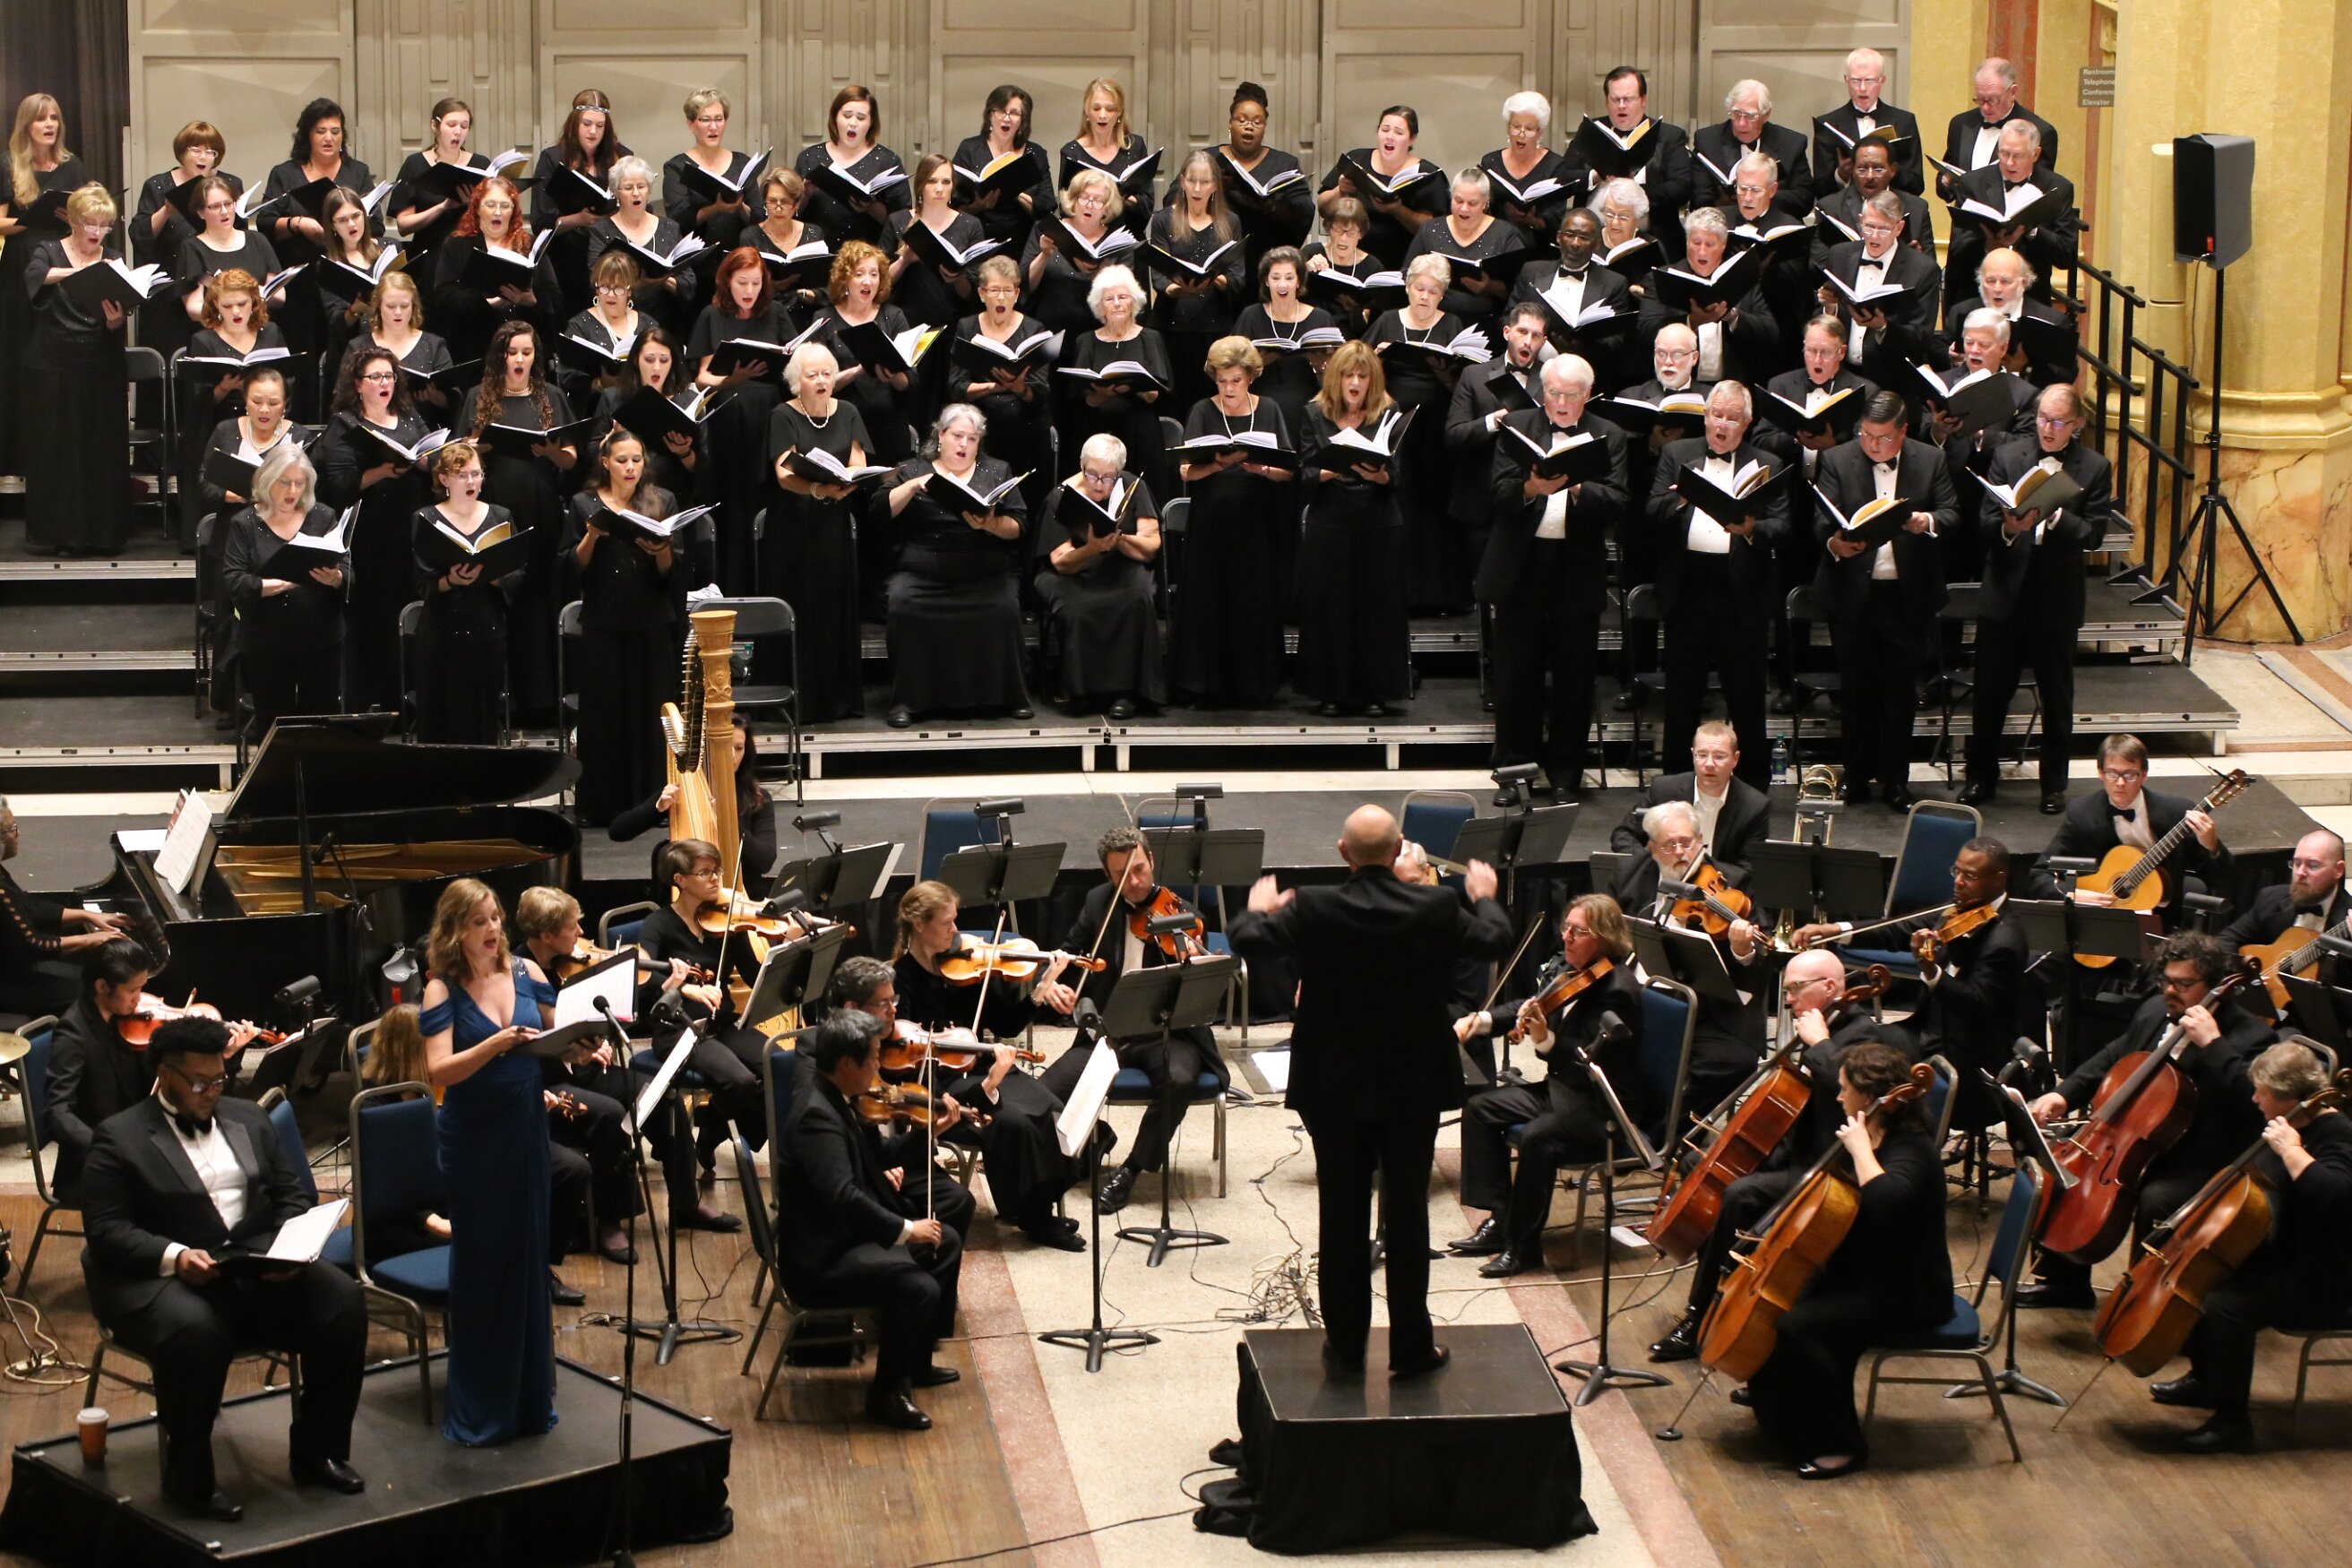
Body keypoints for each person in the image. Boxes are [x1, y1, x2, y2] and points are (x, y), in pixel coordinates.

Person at [1230, 806, 1512, 1375]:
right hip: (1412, 1086)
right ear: (1398, 846)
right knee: (1408, 1214)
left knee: (1341, 1214)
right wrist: (1484, 896)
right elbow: (1495, 939)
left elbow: (1247, 940)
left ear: (1343, 853)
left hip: (1333, 1087)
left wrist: (1259, 907)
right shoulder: (1436, 906)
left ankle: (1345, 1348)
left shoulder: (1315, 906)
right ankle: (1410, 1348)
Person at [82, 1017, 369, 1518]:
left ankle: (318, 1452)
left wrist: (287, 1248)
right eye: (199, 1083)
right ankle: (188, 1480)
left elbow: (292, 1194)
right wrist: (174, 1255)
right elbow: (107, 1231)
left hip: (253, 1264)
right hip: (166, 1278)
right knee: (194, 1330)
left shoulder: (249, 1117)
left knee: (342, 1303)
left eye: (218, 1080)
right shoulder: (119, 1136)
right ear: (164, 1074)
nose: (212, 1092)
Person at [1645, 952, 1912, 1361]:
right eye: (1786, 990)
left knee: (1739, 1195)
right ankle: (1723, 1285)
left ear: (1830, 987)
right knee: (1701, 1164)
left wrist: (1820, 1044)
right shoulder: (1819, 1024)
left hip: (1827, 1166)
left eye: (1795, 989)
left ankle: (1698, 1318)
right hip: (1791, 1149)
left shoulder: (1866, 1036)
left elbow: (1858, 1099)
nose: (1787, 1000)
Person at [2021, 932, 2277, 1309]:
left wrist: (2213, 1045)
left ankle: (2142, 1304)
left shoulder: (2253, 1037)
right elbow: (2115, 1054)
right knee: (2061, 1165)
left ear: (2215, 986)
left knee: (2158, 1199)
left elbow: (2254, 1102)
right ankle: (2064, 1283)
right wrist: (2064, 1093)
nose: (2171, 991)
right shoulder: (2156, 1010)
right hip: (2137, 1136)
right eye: (2166, 981)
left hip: (2199, 1154)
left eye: (2184, 984)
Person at [1744, 1041, 1951, 1479]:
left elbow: (1886, 1202)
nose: (1838, 1097)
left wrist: (1859, 1150)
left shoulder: (1911, 1147)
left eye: (1844, 1089)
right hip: (1867, 1273)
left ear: (1871, 1095)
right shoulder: (1872, 1129)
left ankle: (1843, 1445)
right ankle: (1782, 1417)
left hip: (1909, 1291)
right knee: (1782, 1308)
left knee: (1802, 1328)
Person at [418, 879, 566, 1445]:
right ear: (455, 929)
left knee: (526, 1258)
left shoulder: (526, 972)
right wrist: (494, 1044)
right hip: (476, 1139)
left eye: (496, 918)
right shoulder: (441, 989)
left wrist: (583, 1045)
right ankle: (483, 1405)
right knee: (484, 1265)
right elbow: (439, 1071)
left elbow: (554, 1033)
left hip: (525, 1127)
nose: (491, 929)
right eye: (478, 921)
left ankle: (527, 1400)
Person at [773, 1011, 964, 1430]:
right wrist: (906, 1230)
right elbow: (843, 1198)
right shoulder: (817, 1117)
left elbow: (877, 1158)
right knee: (918, 1287)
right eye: (874, 1057)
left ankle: (913, 1364)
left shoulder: (837, 1097)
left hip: (842, 1238)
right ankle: (886, 1395)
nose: (880, 1066)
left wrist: (928, 1132)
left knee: (946, 1240)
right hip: (819, 1260)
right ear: (847, 1064)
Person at [2160, 1040, 2352, 1452]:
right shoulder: (2289, 1120)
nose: (2254, 1100)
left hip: (2323, 1276)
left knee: (2227, 1306)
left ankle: (2233, 1425)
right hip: (2287, 1255)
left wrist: (2293, 1152)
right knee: (2205, 1278)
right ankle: (2207, 1382)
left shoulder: (2334, 1133)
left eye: (2261, 1093)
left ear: (2288, 1098)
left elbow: (2336, 1197)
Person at [1027, 829, 1229, 1211]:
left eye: (1139, 869)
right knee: (1043, 1093)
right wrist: (1049, 983)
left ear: (1151, 860)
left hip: (1168, 1033)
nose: (1134, 882)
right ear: (1108, 875)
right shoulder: (1098, 903)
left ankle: (1131, 1170)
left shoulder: (1182, 914)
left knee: (1179, 1079)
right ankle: (1097, 1138)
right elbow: (1067, 953)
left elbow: (1204, 993)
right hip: (1109, 1032)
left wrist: (1195, 967)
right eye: (1121, 874)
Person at [1451, 895, 1649, 1277]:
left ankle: (1524, 1248)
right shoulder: (1572, 971)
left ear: (1604, 937)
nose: (1566, 937)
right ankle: (1501, 1220)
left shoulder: (1618, 992)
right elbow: (1530, 1005)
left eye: (1578, 931)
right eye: (1566, 927)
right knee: (1480, 1108)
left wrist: (1545, 1041)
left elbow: (1591, 1063)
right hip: (1563, 1091)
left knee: (1538, 1137)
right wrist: (1481, 1020)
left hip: (1601, 1106)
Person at [881, 892, 1087, 1249]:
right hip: (939, 1083)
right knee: (1014, 1123)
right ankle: (1034, 1217)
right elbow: (900, 1055)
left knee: (1051, 1109)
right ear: (920, 926)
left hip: (983, 1065)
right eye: (947, 922)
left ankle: (1037, 1205)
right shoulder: (901, 980)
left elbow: (1006, 1024)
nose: (956, 930)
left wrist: (1042, 986)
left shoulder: (965, 969)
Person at [1960, 384, 2115, 810]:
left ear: (2077, 424)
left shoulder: (2094, 467)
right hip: (2005, 595)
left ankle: (2053, 786)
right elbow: (1984, 522)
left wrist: (2058, 514)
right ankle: (1980, 779)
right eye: (2043, 418)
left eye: (2058, 422)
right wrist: (2009, 527)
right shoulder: (2009, 455)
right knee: (1990, 695)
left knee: (2056, 698)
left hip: (2056, 600)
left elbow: (2094, 534)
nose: (2047, 428)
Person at [1482, 354, 1628, 800]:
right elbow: (1497, 493)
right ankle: (1514, 774)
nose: (1561, 403)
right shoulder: (1518, 426)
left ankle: (1565, 774)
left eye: (1571, 395)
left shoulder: (1609, 434)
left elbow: (1619, 500)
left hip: (1575, 568)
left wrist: (1576, 485)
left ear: (1588, 394)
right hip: (1521, 567)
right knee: (1516, 676)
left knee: (1574, 678)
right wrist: (1532, 488)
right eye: (1553, 393)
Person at [1812, 391, 1959, 808]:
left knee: (1899, 694)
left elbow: (1952, 513)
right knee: (1855, 692)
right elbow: (1820, 518)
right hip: (1853, 594)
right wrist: (1834, 544)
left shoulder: (1930, 459)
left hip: (1906, 595)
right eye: (1867, 435)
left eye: (1883, 438)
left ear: (1903, 431)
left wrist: (1925, 520)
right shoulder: (1837, 458)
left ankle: (1896, 781)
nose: (1873, 445)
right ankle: (1856, 778)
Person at [1644, 381, 1787, 783]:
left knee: (1746, 699)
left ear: (1747, 423)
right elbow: (1651, 510)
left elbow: (1783, 524)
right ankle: (1675, 784)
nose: (1721, 425)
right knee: (1682, 697)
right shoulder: (1677, 454)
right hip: (1687, 589)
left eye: (1731, 418)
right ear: (1705, 416)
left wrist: (1750, 528)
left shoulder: (1767, 462)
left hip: (1740, 593)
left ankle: (1752, 786)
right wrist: (1681, 498)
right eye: (1716, 415)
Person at [508, 887, 650, 1268]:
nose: (582, 932)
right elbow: (540, 1035)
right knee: (610, 1115)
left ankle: (674, 1201)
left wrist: (587, 1043)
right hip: (542, 1082)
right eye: (573, 926)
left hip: (566, 1069)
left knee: (642, 1090)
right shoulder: (518, 972)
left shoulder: (554, 966)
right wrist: (573, 1048)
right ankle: (608, 1221)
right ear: (547, 935)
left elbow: (564, 1027)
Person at [1613, 800, 1771, 1120]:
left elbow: (1763, 955)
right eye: (1669, 845)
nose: (1681, 852)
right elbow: (1608, 934)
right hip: (1639, 996)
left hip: (1712, 1009)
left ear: (1700, 841)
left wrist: (1742, 949)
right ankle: (1625, 1121)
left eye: (1687, 842)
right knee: (1601, 1038)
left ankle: (1668, 1132)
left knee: (1734, 1060)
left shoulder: (1735, 881)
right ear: (1652, 848)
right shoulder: (1629, 874)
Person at [630, 836, 773, 1189]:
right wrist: (682, 987)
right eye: (705, 872)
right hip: (679, 1030)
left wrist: (783, 948)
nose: (715, 879)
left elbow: (753, 974)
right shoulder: (659, 923)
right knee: (740, 1081)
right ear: (680, 880)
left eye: (717, 871)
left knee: (781, 1067)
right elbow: (640, 970)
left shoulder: (725, 921)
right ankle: (710, 1134)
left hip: (721, 1025)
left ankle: (711, 1129)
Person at [882, 402, 1032, 726]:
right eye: (957, 436)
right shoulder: (912, 469)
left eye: (972, 439)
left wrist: (991, 524)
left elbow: (1019, 526)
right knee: (902, 603)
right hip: (924, 573)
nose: (964, 444)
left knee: (1004, 605)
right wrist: (911, 486)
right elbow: (882, 510)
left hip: (984, 571)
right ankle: (907, 700)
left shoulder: (997, 470)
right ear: (941, 435)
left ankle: (1007, 696)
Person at [569, 428, 686, 820]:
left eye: (637, 460)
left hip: (651, 619)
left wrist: (661, 549)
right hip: (603, 619)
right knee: (604, 714)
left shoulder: (661, 500)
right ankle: (602, 804)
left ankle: (653, 802)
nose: (630, 467)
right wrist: (591, 536)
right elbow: (575, 568)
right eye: (622, 460)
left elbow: (672, 572)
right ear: (606, 463)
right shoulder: (585, 503)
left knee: (650, 714)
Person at [464, 321, 579, 719]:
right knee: (499, 594)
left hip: (540, 506)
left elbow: (571, 459)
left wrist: (550, 453)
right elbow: (463, 453)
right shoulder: (480, 395)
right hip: (494, 506)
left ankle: (541, 699)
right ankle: (501, 698)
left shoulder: (551, 396)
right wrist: (477, 448)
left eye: (526, 352)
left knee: (538, 597)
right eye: (512, 352)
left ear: (535, 356)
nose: (518, 359)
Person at [1174, 334, 1292, 707]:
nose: (1228, 389)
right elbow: (1186, 472)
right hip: (1210, 520)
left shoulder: (1269, 408)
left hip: (1255, 519)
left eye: (1236, 381)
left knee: (1251, 601)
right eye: (1222, 380)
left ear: (1251, 377)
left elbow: (1288, 471)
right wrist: (1218, 464)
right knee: (1209, 601)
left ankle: (1254, 686)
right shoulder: (1201, 410)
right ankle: (1204, 686)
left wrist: (1262, 469)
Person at [314, 347, 434, 714]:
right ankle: (370, 700)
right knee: (373, 618)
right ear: (358, 384)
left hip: (409, 530)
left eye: (389, 376)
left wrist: (426, 461)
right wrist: (382, 471)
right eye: (376, 377)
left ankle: (405, 698)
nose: (384, 383)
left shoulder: (408, 415)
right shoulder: (346, 424)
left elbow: (431, 456)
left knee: (406, 610)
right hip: (369, 535)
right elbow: (339, 483)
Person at [1297, 341, 1411, 718]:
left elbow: (1397, 474)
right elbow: (1304, 473)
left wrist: (1380, 476)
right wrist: (1331, 469)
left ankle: (1376, 692)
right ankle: (1330, 691)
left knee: (1376, 609)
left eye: (1363, 376)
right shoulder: (1314, 413)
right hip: (1330, 521)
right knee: (1329, 608)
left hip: (1378, 521)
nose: (1356, 383)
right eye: (1349, 375)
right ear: (1336, 378)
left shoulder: (1389, 412)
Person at [763, 340, 872, 721]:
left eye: (827, 373)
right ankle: (798, 701)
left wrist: (845, 480)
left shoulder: (849, 411)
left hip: (832, 524)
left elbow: (858, 460)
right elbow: (783, 473)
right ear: (798, 381)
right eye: (813, 375)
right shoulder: (782, 415)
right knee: (800, 606)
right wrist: (817, 489)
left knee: (831, 607)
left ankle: (835, 700)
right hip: (793, 525)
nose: (822, 381)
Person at [22, 184, 132, 556]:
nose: (97, 232)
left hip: (100, 363)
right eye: (90, 224)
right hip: (53, 364)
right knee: (59, 450)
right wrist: (77, 271)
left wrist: (116, 322)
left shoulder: (113, 257)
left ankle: (104, 535)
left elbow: (118, 315)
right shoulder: (48, 250)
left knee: (100, 450)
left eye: (104, 225)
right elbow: (35, 276)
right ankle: (62, 536)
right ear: (73, 221)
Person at [2020, 732, 2233, 914]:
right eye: (2112, 774)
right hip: (2102, 918)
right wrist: (2073, 895)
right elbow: (2038, 876)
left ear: (2144, 775)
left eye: (2130, 775)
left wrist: (2212, 846)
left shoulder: (2176, 812)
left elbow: (2222, 878)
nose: (2120, 783)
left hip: (2163, 920)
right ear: (2100, 773)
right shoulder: (2082, 813)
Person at [687, 247, 797, 592]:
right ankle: (732, 585)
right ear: (727, 281)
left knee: (767, 495)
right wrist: (731, 380)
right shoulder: (711, 315)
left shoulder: (775, 312)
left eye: (756, 282)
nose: (749, 290)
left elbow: (792, 362)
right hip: (728, 421)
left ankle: (770, 584)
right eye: (742, 282)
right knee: (733, 501)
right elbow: (701, 377)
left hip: (768, 418)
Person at [222, 443, 347, 739]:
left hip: (320, 638)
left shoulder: (323, 517)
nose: (292, 491)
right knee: (274, 724)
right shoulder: (245, 523)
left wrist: (336, 578)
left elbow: (348, 572)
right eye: (284, 482)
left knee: (320, 724)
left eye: (299, 483)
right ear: (267, 481)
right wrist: (279, 584)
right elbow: (234, 581)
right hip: (266, 642)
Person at [1366, 254, 1471, 608]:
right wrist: (1378, 359)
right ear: (1407, 288)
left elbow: (1464, 382)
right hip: (1395, 427)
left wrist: (1445, 375)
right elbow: (1360, 369)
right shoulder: (1386, 321)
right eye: (1419, 288)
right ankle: (1398, 590)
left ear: (1442, 295)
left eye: (1433, 291)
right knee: (1401, 502)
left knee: (1435, 505)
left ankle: (1440, 593)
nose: (1425, 296)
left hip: (1439, 427)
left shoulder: (1453, 323)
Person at [1036, 434, 1163, 718]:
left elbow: (1151, 545)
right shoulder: (1062, 496)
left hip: (1120, 565)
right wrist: (1092, 548)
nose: (1098, 483)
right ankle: (1081, 692)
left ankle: (1129, 693)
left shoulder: (1133, 486)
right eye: (1091, 474)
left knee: (1138, 597)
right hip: (1073, 572)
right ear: (1082, 466)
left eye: (1107, 478)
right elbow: (1060, 562)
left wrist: (1121, 540)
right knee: (1077, 606)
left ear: (1119, 473)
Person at [43, 929, 174, 1202]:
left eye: (141, 988)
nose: (139, 999)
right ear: (102, 987)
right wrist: (105, 1148)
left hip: (135, 1139)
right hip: (94, 1163)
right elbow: (58, 1112)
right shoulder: (73, 1034)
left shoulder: (124, 1020)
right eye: (132, 990)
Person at [607, 712, 778, 904]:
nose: (732, 756)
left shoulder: (758, 798)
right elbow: (617, 831)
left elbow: (765, 860)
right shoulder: (685, 790)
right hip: (690, 903)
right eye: (724, 748)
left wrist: (725, 819)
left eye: (738, 748)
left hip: (745, 899)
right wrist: (657, 808)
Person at [1, 94, 84, 478]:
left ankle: (62, 450)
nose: (49, 124)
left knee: (59, 344)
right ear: (26, 125)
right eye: (41, 119)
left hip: (62, 257)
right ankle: (19, 457)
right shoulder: (9, 164)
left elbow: (88, 212)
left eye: (54, 118)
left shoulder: (72, 166)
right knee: (22, 347)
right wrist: (30, 218)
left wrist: (74, 217)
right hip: (21, 262)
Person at [409, 441, 513, 744]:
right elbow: (421, 580)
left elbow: (516, 574)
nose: (471, 481)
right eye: (461, 475)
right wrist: (451, 580)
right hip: (440, 630)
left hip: (486, 627)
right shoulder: (426, 518)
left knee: (482, 716)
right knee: (440, 717)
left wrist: (491, 576)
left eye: (476, 474)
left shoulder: (500, 516)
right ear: (444, 479)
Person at [1443, 301, 1546, 584]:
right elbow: (1454, 435)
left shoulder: (1551, 379)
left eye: (1536, 335)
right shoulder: (1474, 376)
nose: (1528, 341)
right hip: (1482, 502)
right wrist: (1493, 421)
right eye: (1522, 332)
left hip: (1532, 503)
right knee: (1482, 588)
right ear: (1506, 332)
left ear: (1544, 341)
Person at [0, 799, 131, 1020]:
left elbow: (29, 907)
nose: (18, 833)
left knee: (92, 972)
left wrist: (87, 915)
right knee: (103, 988)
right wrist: (90, 939)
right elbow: (31, 946)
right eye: (12, 829)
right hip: (7, 983)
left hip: (12, 966)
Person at [1054, 263, 1174, 501]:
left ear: (1134, 302)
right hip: (1096, 430)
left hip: (1140, 431)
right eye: (1109, 299)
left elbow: (1161, 392)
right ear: (1100, 307)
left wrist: (1141, 390)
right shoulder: (1086, 341)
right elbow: (1077, 397)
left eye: (1123, 297)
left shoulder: (1151, 338)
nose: (1117, 303)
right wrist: (1101, 394)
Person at [952, 254, 1054, 525]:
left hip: (1026, 430)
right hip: (981, 433)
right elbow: (956, 386)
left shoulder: (1034, 328)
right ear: (982, 293)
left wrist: (1019, 388)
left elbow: (1041, 390)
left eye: (1008, 291)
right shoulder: (967, 326)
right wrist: (993, 386)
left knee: (1026, 506)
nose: (1001, 298)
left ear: (1017, 294)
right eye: (994, 290)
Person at [1146, 150, 1249, 409]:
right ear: (1182, 181)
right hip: (1171, 325)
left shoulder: (1230, 221)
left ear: (1215, 185)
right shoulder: (1163, 220)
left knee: (1210, 401)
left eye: (1205, 181)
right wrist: (1180, 290)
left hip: (1214, 326)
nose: (1197, 188)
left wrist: (1215, 278)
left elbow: (1237, 276)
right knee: (1173, 402)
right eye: (1192, 180)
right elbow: (1158, 276)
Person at [1943, 122, 2079, 314]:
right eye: (2004, 153)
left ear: (2036, 154)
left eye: (2018, 155)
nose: (2009, 162)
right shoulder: (1972, 183)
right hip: (1978, 299)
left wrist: (2032, 231)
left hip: (2031, 300)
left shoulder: (2058, 188)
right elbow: (1958, 249)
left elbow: (2065, 255)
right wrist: (1989, 246)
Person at [130, 121, 237, 363]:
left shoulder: (228, 185)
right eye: (196, 150)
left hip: (214, 289)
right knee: (168, 361)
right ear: (182, 152)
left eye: (210, 151)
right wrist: (166, 211)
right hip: (168, 292)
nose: (203, 156)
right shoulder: (158, 185)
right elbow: (139, 235)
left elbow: (237, 232)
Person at [1635, 208, 1778, 387]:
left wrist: (1732, 316)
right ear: (1687, 242)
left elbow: (1770, 333)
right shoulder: (1662, 278)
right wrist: (1691, 322)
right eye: (1696, 243)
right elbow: (1646, 331)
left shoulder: (1743, 278)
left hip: (1730, 386)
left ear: (1723, 245)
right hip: (1680, 386)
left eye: (1710, 245)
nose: (1702, 252)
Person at [1561, 68, 1694, 259]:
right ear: (1607, 101)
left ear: (1643, 100)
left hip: (1651, 241)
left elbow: (1681, 188)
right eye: (1615, 99)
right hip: (1593, 241)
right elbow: (1564, 177)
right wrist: (1596, 175)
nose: (1621, 106)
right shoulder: (1590, 131)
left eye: (1628, 99)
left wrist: (1635, 189)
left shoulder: (1669, 136)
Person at [1814, 192, 1940, 390]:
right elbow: (1824, 319)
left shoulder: (1923, 269)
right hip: (1842, 376)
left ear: (1899, 228)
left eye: (1883, 229)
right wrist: (1830, 308)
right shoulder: (1839, 255)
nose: (1874, 236)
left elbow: (1921, 337)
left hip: (1892, 382)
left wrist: (1883, 328)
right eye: (1869, 226)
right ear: (1861, 220)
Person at [1610, 720, 1776, 866]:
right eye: (1702, 755)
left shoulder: (1754, 806)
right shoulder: (1664, 789)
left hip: (1718, 887)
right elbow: (1624, 834)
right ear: (1692, 756)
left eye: (1719, 757)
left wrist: (1704, 874)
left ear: (1735, 759)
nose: (1709, 764)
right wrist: (1650, 865)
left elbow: (1748, 868)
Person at [1403, 169, 1528, 355]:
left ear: (1485, 203)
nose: (1464, 209)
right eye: (1458, 201)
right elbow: (1407, 274)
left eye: (1472, 203)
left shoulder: (1505, 236)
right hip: (1432, 323)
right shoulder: (1430, 229)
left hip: (1485, 328)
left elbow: (1521, 289)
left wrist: (1489, 287)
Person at [1505, 208, 1634, 383]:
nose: (1575, 243)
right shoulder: (1531, 271)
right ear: (1559, 237)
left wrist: (1580, 348)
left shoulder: (1614, 283)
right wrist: (1526, 339)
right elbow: (1507, 318)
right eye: (1570, 234)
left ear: (1596, 244)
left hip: (1581, 374)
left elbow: (1615, 341)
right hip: (1528, 367)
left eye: (1584, 237)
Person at [531, 89, 628, 314]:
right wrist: (579, 219)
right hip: (566, 258)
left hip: (608, 254)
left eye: (600, 126)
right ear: (575, 124)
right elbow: (540, 222)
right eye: (586, 124)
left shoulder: (621, 156)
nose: (593, 131)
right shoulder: (553, 158)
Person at [2218, 830, 2348, 995]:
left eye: (2313, 865)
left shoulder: (2347, 917)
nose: (2300, 873)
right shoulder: (2271, 899)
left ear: (2338, 870)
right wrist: (2245, 972)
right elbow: (2225, 940)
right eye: (2297, 863)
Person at [663, 90, 762, 309]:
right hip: (697, 269)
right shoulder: (677, 167)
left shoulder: (742, 163)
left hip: (739, 267)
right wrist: (715, 208)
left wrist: (739, 208)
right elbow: (677, 220)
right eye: (705, 120)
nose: (713, 127)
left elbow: (759, 216)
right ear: (691, 124)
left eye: (719, 119)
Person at [1316, 106, 1445, 269]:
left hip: (1402, 262)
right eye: (1385, 130)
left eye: (1398, 133)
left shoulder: (1428, 174)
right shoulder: (1357, 159)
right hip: (1352, 260)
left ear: (1412, 139)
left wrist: (1397, 210)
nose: (1390, 137)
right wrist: (1340, 190)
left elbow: (1434, 229)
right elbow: (1322, 207)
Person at [1208, 82, 1315, 273]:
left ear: (1265, 127)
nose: (1249, 127)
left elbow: (1304, 214)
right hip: (1215, 259)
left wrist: (1272, 207)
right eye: (1242, 120)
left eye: (1257, 122)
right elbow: (1174, 201)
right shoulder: (1207, 159)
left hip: (1267, 263)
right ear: (1230, 123)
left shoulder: (1285, 164)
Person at [582, 155, 694, 341]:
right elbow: (596, 278)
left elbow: (689, 283)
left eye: (641, 186)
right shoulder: (601, 230)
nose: (636, 193)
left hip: (666, 325)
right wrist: (637, 284)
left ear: (649, 190)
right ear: (616, 193)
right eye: (628, 188)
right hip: (619, 326)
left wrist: (663, 280)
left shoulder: (670, 228)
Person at [390, 98, 492, 285]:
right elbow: (403, 225)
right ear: (435, 126)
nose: (458, 131)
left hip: (470, 256)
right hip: (430, 257)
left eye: (464, 126)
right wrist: (443, 207)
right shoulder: (415, 164)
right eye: (451, 125)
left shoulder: (481, 164)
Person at [795, 84, 910, 250]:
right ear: (835, 117)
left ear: (871, 122)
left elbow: (902, 221)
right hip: (817, 252)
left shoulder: (888, 161)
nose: (853, 123)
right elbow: (789, 213)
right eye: (847, 116)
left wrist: (870, 207)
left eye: (861, 118)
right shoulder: (810, 158)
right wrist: (805, 195)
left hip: (869, 256)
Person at [1021, 165, 1128, 334]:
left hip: (1097, 333)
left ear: (1107, 208)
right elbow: (1026, 286)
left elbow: (1125, 299)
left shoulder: (1117, 241)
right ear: (1073, 200)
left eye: (1098, 200)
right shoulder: (1047, 230)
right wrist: (1044, 255)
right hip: (1047, 329)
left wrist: (1098, 273)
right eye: (1083, 198)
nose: (1089, 205)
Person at [950, 86, 1055, 254]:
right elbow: (954, 204)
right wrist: (978, 206)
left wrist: (1015, 191)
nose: (1006, 118)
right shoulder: (970, 148)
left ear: (1023, 120)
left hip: (1023, 241)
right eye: (1001, 111)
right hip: (979, 238)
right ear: (990, 115)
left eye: (1014, 113)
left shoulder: (1035, 153)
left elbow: (1047, 205)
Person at [1810, 47, 1925, 199]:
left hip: (1892, 206)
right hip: (1844, 208)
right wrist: (1840, 175)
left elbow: (1916, 185)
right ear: (1846, 80)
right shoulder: (1828, 123)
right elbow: (1819, 190)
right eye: (1855, 81)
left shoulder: (1904, 121)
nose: (1862, 88)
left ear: (1882, 80)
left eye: (1869, 81)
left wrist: (1888, 168)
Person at [1951, 247, 2073, 389]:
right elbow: (1939, 351)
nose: (1997, 289)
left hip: (2030, 397)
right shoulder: (1962, 311)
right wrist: (1953, 357)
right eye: (1990, 281)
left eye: (2005, 281)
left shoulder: (2052, 320)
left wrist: (2024, 368)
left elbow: (2066, 375)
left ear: (2024, 282)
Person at [1939, 58, 2060, 200]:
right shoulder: (1960, 124)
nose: (1985, 107)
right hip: (1963, 213)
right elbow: (1945, 180)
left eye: (1993, 100)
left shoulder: (2041, 132)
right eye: (1980, 99)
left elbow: (2039, 190)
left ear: (2013, 92)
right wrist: (1946, 182)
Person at [1692, 80, 1814, 217]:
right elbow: (1699, 200)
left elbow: (1804, 200)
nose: (1741, 123)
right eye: (1736, 113)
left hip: (1775, 221)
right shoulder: (1707, 140)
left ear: (1766, 115)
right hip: (1724, 222)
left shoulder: (1791, 143)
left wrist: (1761, 197)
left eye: (1750, 116)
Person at [1813, 137, 1935, 267]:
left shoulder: (1917, 208)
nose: (1869, 176)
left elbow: (1931, 267)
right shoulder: (1830, 208)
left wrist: (1916, 261)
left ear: (1893, 170)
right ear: (1852, 170)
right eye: (1862, 169)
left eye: (1878, 169)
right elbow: (1818, 263)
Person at [360, 270, 458, 426]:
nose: (398, 312)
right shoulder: (360, 346)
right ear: (378, 307)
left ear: (414, 307)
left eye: (405, 306)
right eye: (391, 306)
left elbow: (454, 401)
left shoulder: (434, 345)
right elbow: (344, 398)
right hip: (372, 431)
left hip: (423, 432)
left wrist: (434, 396)